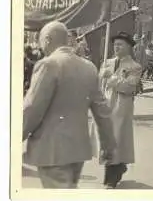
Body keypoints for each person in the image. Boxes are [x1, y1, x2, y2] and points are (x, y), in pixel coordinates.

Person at [23, 21, 116, 189]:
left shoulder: (48, 64)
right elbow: (103, 111)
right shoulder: (89, 67)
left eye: (41, 41)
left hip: (52, 150)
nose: (41, 46)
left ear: (48, 40)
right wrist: (108, 144)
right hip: (77, 150)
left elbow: (32, 108)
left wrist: (13, 138)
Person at [97, 31, 142, 189]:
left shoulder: (134, 67)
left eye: (120, 44)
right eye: (115, 44)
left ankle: (112, 177)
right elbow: (100, 85)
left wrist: (112, 78)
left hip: (121, 107)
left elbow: (129, 87)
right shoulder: (107, 62)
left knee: (117, 140)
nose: (116, 47)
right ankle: (117, 168)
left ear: (129, 47)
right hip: (106, 106)